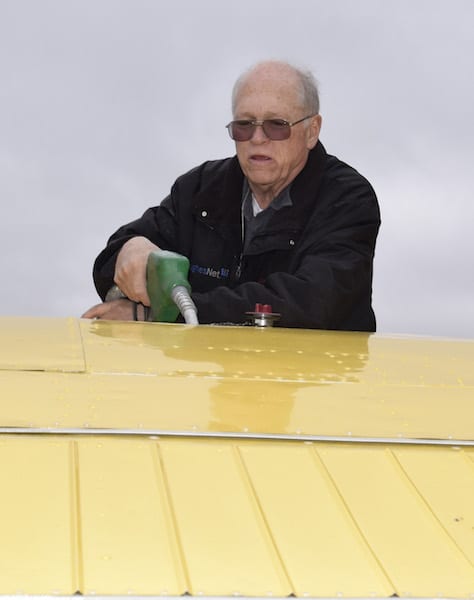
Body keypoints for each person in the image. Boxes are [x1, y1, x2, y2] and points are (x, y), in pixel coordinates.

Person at [83, 60, 380, 330]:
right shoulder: (200, 189)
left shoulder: (348, 199)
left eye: (277, 125)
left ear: (312, 130)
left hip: (312, 384)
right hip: (210, 383)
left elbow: (312, 302)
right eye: (244, 125)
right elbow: (111, 261)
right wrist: (129, 249)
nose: (258, 138)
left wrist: (158, 315)